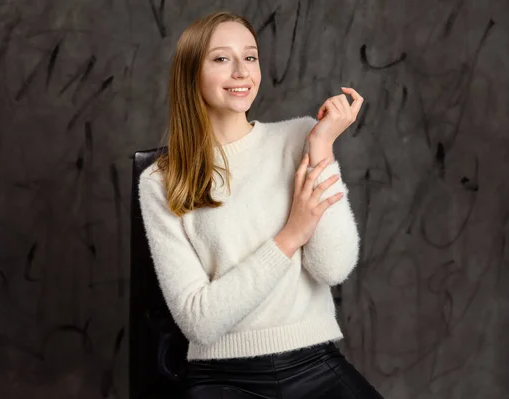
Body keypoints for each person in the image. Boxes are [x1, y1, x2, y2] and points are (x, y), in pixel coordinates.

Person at [138, 10, 384, 399]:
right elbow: (199, 322)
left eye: (250, 57)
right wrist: (291, 235)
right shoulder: (161, 181)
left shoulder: (302, 137)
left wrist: (321, 148)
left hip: (314, 365)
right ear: (190, 73)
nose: (241, 72)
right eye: (221, 59)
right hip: (221, 381)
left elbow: (332, 268)